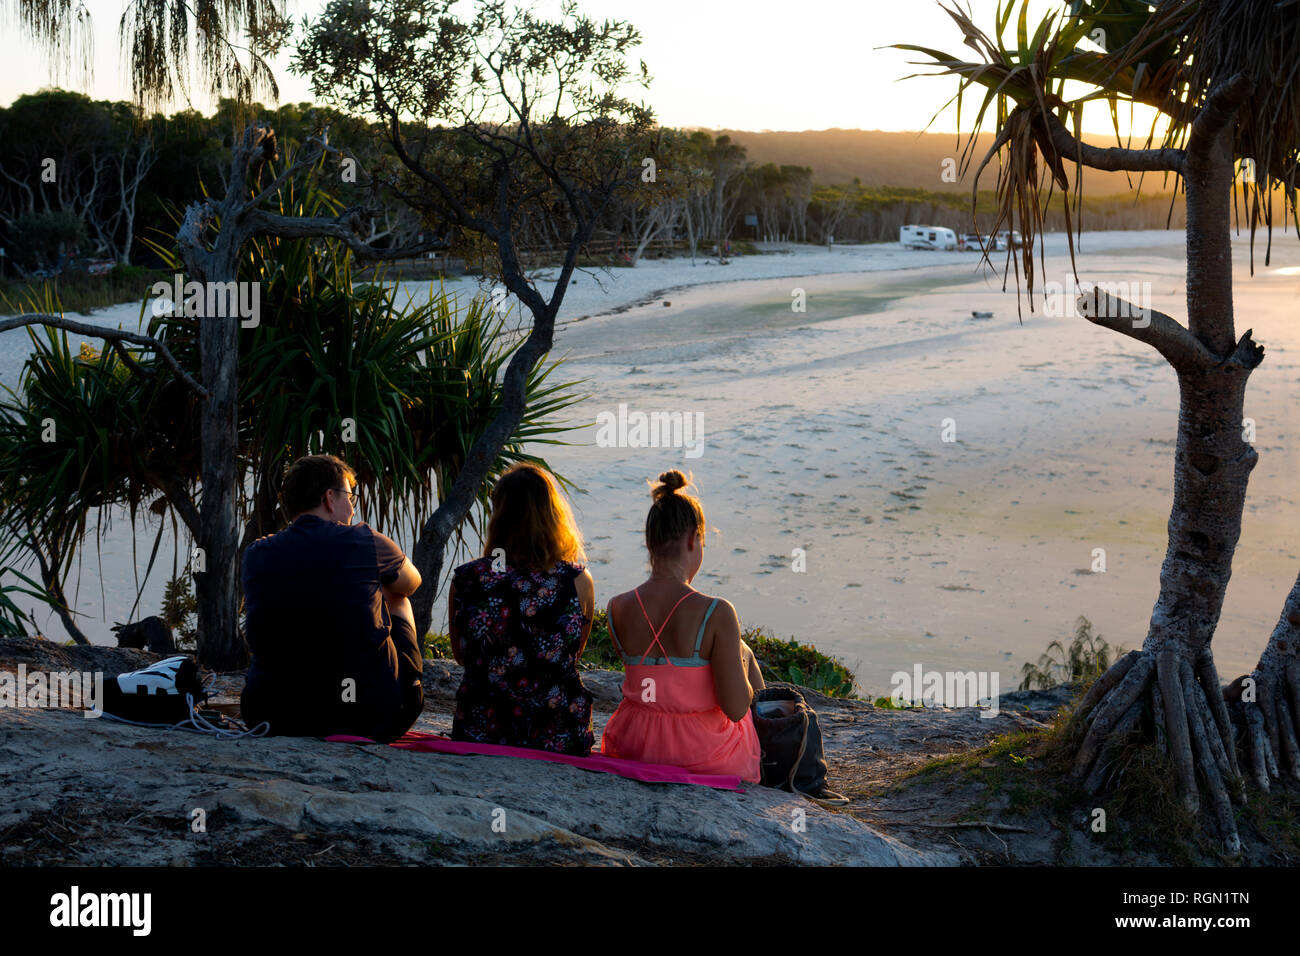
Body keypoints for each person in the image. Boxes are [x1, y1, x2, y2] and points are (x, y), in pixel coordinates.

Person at [240, 454, 424, 742]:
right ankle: (407, 685)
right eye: (350, 497)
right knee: (395, 594)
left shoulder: (255, 553)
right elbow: (412, 582)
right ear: (329, 497)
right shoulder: (366, 540)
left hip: (269, 713)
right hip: (371, 717)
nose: (351, 508)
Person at [599, 470, 763, 780]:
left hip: (634, 745)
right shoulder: (717, 611)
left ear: (649, 543)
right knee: (745, 655)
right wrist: (741, 658)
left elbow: (659, 686)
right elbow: (736, 709)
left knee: (741, 650)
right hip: (702, 755)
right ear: (693, 539)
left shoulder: (617, 607)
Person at [448, 463, 595, 755]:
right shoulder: (577, 581)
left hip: (482, 729)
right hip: (558, 734)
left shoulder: (467, 579)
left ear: (498, 517)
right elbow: (574, 653)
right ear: (554, 517)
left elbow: (461, 656)